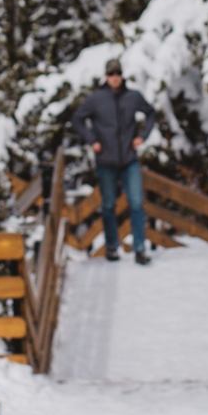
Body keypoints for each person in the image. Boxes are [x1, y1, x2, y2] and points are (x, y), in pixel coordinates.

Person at [71, 57, 158, 264]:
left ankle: (139, 249)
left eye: (117, 74)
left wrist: (142, 137)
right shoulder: (96, 99)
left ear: (122, 75)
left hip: (129, 159)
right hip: (106, 161)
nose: (115, 78)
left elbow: (151, 113)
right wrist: (92, 140)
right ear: (106, 76)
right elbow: (78, 119)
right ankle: (112, 247)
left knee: (136, 203)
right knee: (108, 205)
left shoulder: (133, 97)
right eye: (111, 74)